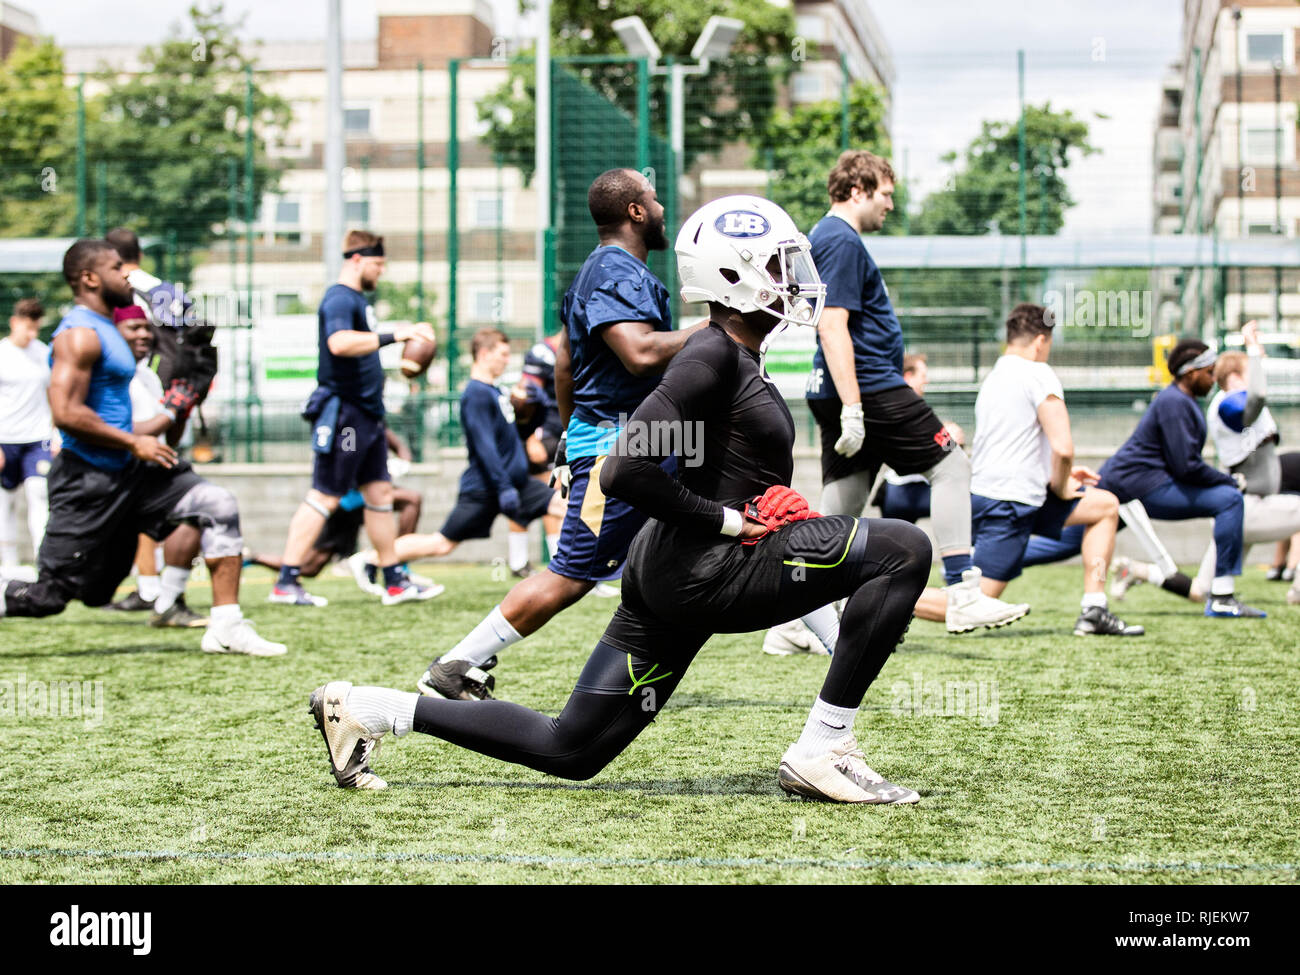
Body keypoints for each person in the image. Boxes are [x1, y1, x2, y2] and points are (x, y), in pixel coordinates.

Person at [310, 195, 932, 804]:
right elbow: (625, 469)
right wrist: (727, 519)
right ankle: (824, 748)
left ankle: (366, 707)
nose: (793, 278)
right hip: (707, 569)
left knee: (572, 750)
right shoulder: (712, 352)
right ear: (734, 274)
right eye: (778, 264)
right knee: (904, 549)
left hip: (675, 573)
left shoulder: (732, 356)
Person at [413, 168, 702, 701]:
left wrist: (569, 433)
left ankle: (829, 637)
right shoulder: (617, 272)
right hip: (623, 448)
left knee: (743, 522)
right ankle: (455, 665)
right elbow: (639, 354)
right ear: (636, 212)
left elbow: (565, 365)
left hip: (650, 443)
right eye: (655, 201)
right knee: (571, 574)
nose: (662, 209)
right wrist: (718, 326)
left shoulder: (597, 272)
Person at [0, 239, 285, 655]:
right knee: (52, 597)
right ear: (89, 278)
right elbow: (65, 412)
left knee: (217, 504)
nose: (128, 275)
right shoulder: (79, 335)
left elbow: (116, 415)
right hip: (88, 479)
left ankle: (227, 625)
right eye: (118, 268)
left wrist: (171, 412)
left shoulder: (112, 331)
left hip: (135, 469)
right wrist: (136, 441)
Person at [800, 150, 1027, 634]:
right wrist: (855, 409)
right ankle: (965, 592)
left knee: (845, 504)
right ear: (857, 190)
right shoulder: (839, 239)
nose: (890, 205)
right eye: (885, 194)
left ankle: (794, 620)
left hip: (844, 388)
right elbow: (832, 324)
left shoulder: (832, 237)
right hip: (870, 387)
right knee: (951, 464)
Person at [269, 230, 439, 608]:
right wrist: (398, 334)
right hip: (344, 415)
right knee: (326, 495)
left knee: (379, 493)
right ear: (358, 259)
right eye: (377, 264)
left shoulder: (358, 300)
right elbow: (339, 343)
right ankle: (286, 580)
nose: (381, 272)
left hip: (367, 416)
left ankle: (394, 579)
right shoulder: (339, 298)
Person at [965, 303, 1142, 636]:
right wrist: (1061, 488)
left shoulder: (995, 378)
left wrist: (1060, 477)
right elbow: (1064, 447)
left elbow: (1020, 447)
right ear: (1040, 341)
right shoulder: (1038, 372)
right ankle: (877, 600)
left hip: (999, 493)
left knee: (1104, 506)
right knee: (972, 606)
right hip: (1012, 502)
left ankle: (1094, 609)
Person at [347, 328, 560, 587]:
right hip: (486, 488)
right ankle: (370, 558)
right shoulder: (476, 394)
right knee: (441, 544)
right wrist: (503, 488)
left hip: (516, 484)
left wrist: (536, 414)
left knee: (564, 506)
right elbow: (484, 447)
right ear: (483, 354)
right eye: (502, 354)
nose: (507, 359)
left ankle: (577, 574)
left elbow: (514, 436)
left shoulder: (496, 392)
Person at [1113, 322, 1300, 607]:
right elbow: (1257, 396)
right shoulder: (1227, 404)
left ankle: (1136, 571)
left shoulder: (1234, 401)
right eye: (1252, 371)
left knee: (1201, 591)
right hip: (1247, 506)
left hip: (1249, 506)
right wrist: (1250, 348)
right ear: (1236, 377)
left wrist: (1256, 356)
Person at [1096, 337, 1262, 618]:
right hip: (1141, 487)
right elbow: (1186, 467)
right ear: (1191, 372)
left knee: (1063, 543)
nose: (1213, 379)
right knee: (1229, 499)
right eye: (1209, 373)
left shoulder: (1180, 400)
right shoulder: (1175, 402)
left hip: (1133, 485)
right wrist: (1229, 480)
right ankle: (1222, 596)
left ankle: (997, 565)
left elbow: (1183, 466)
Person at [103, 304, 206, 625]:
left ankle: (165, 599)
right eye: (133, 328)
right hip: (121, 470)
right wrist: (170, 412)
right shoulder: (110, 373)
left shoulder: (146, 374)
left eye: (147, 328)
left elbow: (164, 434)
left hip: (153, 466)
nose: (144, 334)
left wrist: (185, 406)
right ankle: (155, 594)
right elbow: (123, 431)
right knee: (62, 588)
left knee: (197, 513)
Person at [0, 298, 53, 581]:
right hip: (5, 438)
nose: (31, 334)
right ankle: (8, 565)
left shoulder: (44, 354)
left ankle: (42, 562)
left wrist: (55, 434)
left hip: (38, 438)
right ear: (14, 323)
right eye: (27, 328)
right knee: (5, 501)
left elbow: (53, 396)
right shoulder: (2, 354)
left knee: (39, 494)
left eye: (36, 329)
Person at [505, 331, 565, 578]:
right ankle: (557, 563)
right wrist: (530, 438)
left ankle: (520, 563)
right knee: (553, 494)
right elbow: (524, 397)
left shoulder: (585, 349)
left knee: (533, 498)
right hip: (543, 435)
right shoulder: (543, 353)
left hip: (564, 432)